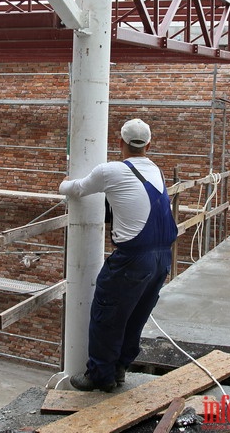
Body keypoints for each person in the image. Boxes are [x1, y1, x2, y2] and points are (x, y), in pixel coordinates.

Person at [59, 118, 178, 392]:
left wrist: (63, 183)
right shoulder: (156, 171)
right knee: (135, 315)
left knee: (107, 312)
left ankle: (101, 376)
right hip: (162, 258)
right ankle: (120, 368)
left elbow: (77, 189)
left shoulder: (111, 170)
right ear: (149, 144)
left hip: (133, 258)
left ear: (120, 143)